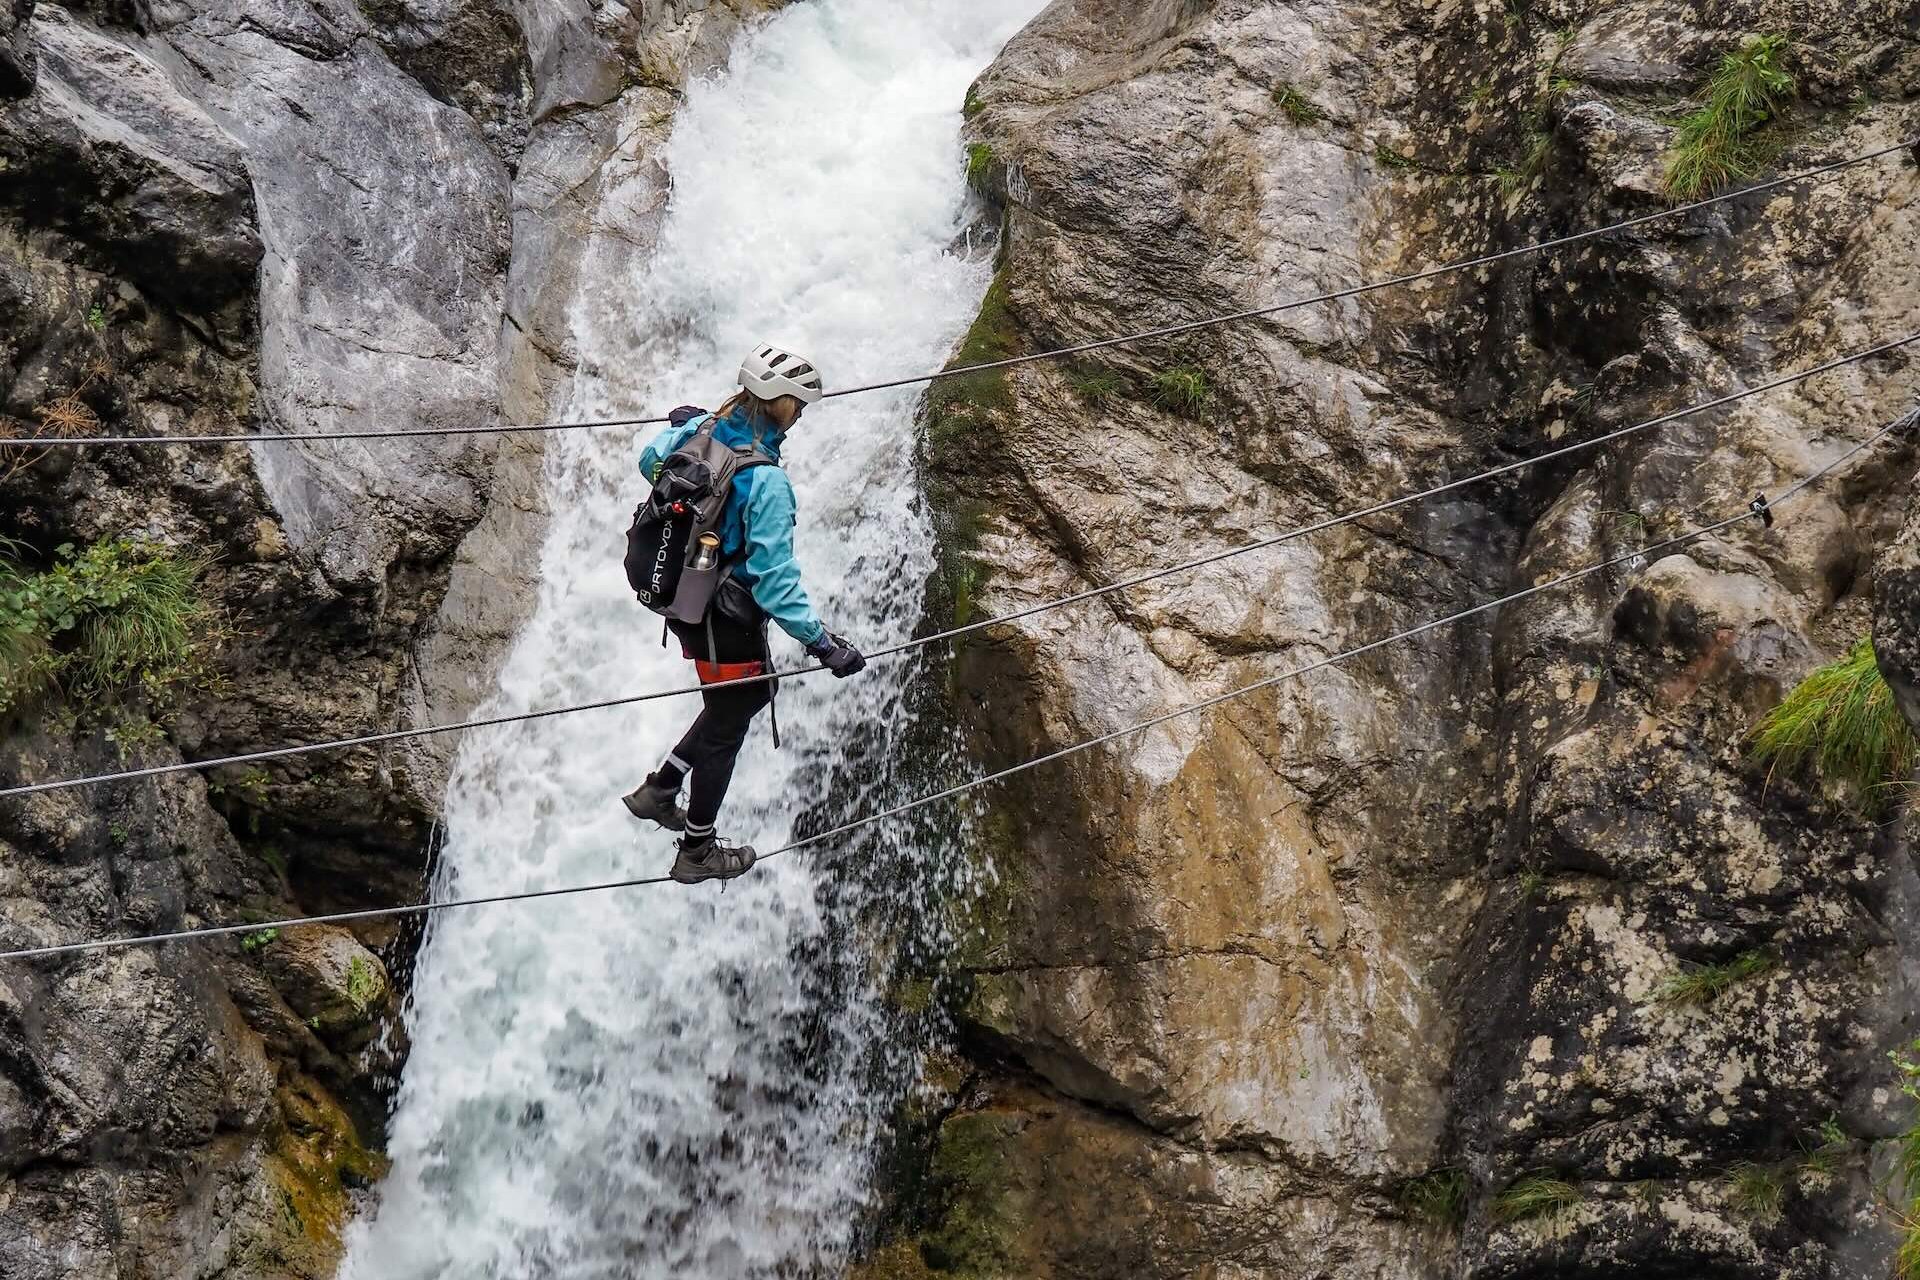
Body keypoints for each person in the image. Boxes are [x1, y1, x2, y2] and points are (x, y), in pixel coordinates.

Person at [622, 344, 867, 884]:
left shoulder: (703, 430)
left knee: (743, 699)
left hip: (684, 602)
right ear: (780, 403)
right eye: (798, 406)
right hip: (724, 617)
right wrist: (821, 643)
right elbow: (776, 582)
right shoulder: (768, 483)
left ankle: (660, 790)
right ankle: (698, 849)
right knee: (730, 723)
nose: (800, 417)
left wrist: (678, 428)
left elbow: (648, 462)